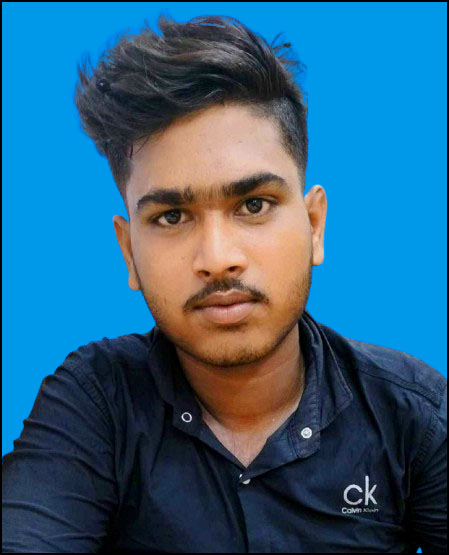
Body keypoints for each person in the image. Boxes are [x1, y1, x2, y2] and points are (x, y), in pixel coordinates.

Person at [2, 14, 446, 554]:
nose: (218, 259)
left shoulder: (412, 414)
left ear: (314, 226)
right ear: (129, 252)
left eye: (253, 205)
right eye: (171, 216)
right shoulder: (95, 404)